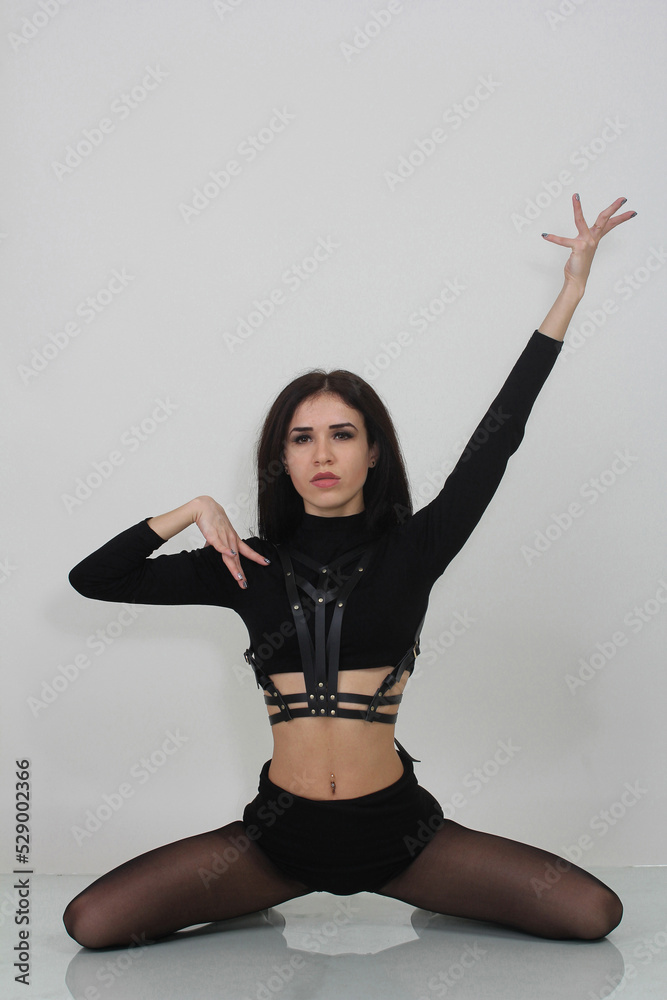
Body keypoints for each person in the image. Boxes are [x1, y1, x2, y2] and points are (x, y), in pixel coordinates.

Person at [63, 195, 634, 950]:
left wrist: (569, 292)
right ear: (281, 456)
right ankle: (252, 898)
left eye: (342, 434)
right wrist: (191, 508)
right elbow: (95, 579)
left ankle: (437, 895)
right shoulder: (245, 564)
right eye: (302, 438)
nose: (323, 454)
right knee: (91, 923)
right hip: (277, 839)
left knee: (592, 914)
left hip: (399, 835)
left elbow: (498, 438)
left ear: (373, 452)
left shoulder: (416, 548)